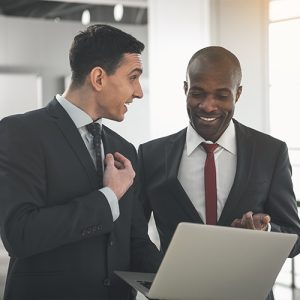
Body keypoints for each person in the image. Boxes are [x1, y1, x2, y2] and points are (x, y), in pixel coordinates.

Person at [0, 24, 162, 300]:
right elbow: (19, 234)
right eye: (133, 77)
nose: (138, 92)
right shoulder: (20, 133)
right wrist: (108, 197)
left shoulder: (124, 150)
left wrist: (184, 278)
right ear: (98, 78)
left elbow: (134, 242)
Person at [138, 46, 300, 300]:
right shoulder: (151, 155)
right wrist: (160, 274)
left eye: (221, 96)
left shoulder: (270, 152)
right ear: (185, 89)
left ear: (238, 93)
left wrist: (264, 234)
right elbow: (133, 234)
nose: (208, 106)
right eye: (197, 93)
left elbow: (294, 237)